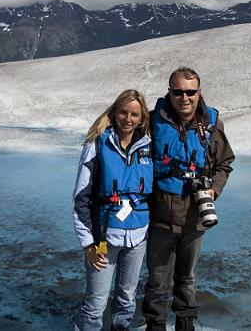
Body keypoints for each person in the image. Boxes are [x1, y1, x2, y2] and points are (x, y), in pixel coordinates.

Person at [142, 67, 235, 331]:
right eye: (178, 91)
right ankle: (155, 324)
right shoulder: (151, 123)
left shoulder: (212, 125)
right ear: (169, 93)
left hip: (195, 218)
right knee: (158, 279)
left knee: (187, 278)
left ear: (199, 93)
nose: (185, 97)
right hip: (160, 216)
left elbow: (224, 163)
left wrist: (213, 190)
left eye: (190, 91)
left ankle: (185, 322)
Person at [73, 89, 153, 331]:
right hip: (103, 239)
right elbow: (80, 198)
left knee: (126, 299)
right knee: (96, 303)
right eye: (124, 112)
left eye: (135, 114)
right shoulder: (97, 144)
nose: (128, 119)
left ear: (142, 118)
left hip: (138, 237)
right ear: (115, 112)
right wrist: (88, 244)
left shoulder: (149, 145)